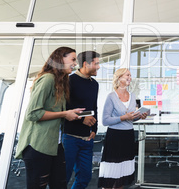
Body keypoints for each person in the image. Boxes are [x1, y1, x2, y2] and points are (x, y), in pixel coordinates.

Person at [15, 47, 85, 189]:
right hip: (37, 146)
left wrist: (71, 113)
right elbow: (33, 114)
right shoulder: (47, 79)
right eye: (72, 60)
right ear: (60, 59)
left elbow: (54, 112)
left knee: (59, 185)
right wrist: (65, 114)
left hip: (55, 145)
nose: (75, 64)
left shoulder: (60, 83)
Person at [98, 68, 147, 189]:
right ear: (119, 78)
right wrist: (123, 117)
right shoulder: (111, 96)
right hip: (114, 136)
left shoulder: (132, 95)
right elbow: (105, 120)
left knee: (122, 175)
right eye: (127, 75)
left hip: (128, 136)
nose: (130, 77)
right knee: (111, 173)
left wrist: (140, 116)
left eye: (130, 75)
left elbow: (131, 119)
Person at [62, 51, 101, 188]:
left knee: (85, 177)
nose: (99, 67)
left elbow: (94, 107)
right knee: (63, 177)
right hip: (70, 137)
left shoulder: (94, 84)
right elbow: (64, 107)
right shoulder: (69, 81)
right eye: (96, 63)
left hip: (87, 138)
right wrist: (81, 119)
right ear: (86, 64)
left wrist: (94, 129)